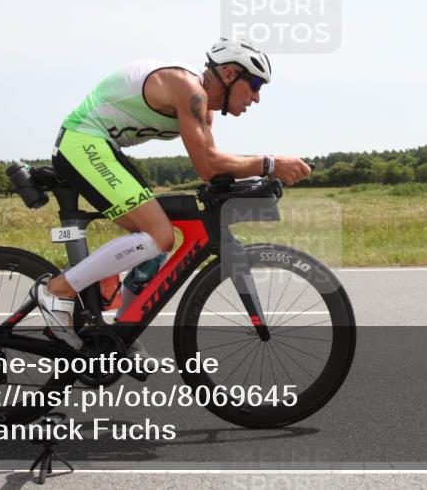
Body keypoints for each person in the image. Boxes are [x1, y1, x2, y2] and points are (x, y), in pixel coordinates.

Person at [31, 38, 311, 351]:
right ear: (230, 74)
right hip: (81, 142)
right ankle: (57, 291)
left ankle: (122, 333)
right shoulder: (188, 89)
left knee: (156, 241)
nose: (257, 98)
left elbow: (215, 167)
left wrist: (255, 182)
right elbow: (208, 166)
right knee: (159, 234)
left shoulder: (204, 111)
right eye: (256, 84)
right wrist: (270, 164)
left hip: (102, 147)